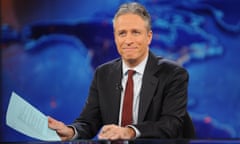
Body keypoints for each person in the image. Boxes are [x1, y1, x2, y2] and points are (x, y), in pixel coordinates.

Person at [48, 2, 191, 141]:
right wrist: (71, 131)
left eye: (135, 32)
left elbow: (171, 125)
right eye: (122, 33)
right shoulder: (103, 74)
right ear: (115, 38)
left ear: (149, 37)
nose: (128, 40)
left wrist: (129, 132)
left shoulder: (173, 73)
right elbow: (88, 122)